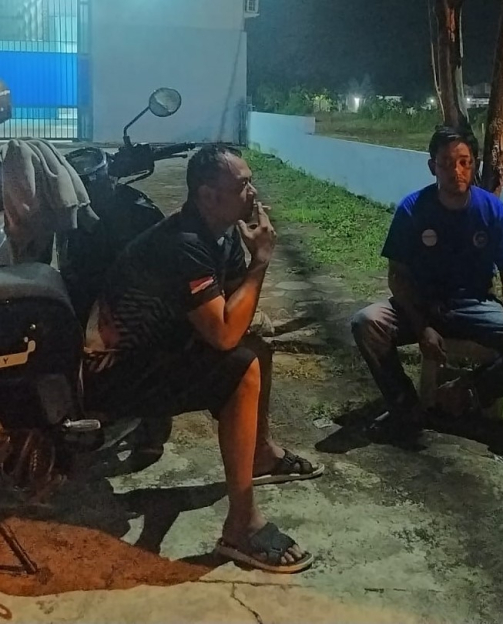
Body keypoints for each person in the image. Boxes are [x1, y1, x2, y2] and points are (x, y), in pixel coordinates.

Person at [83, 145, 324, 574]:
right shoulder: (186, 243)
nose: (252, 192)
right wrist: (261, 262)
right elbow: (224, 333)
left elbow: (235, 308)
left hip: (158, 349)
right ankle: (241, 527)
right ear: (209, 196)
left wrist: (248, 269)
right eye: (243, 185)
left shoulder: (222, 231)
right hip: (112, 375)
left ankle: (260, 453)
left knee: (257, 347)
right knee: (242, 367)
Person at [350, 126, 503, 439]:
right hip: (422, 303)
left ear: (474, 164)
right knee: (366, 323)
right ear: (432, 166)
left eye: (464, 162)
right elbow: (398, 275)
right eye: (446, 163)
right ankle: (405, 404)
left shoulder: (491, 209)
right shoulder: (413, 209)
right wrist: (421, 326)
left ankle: (467, 391)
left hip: (475, 306)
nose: (456, 171)